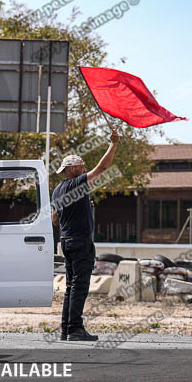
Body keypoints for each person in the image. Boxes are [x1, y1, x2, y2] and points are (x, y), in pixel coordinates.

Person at [51, 129, 119, 342]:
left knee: (71, 286)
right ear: (72, 169)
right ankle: (76, 329)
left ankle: (66, 329)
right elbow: (103, 167)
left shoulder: (58, 190)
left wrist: (77, 211)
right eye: (81, 165)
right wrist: (113, 144)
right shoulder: (76, 182)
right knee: (80, 286)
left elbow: (55, 219)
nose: (85, 168)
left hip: (66, 242)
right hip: (80, 243)